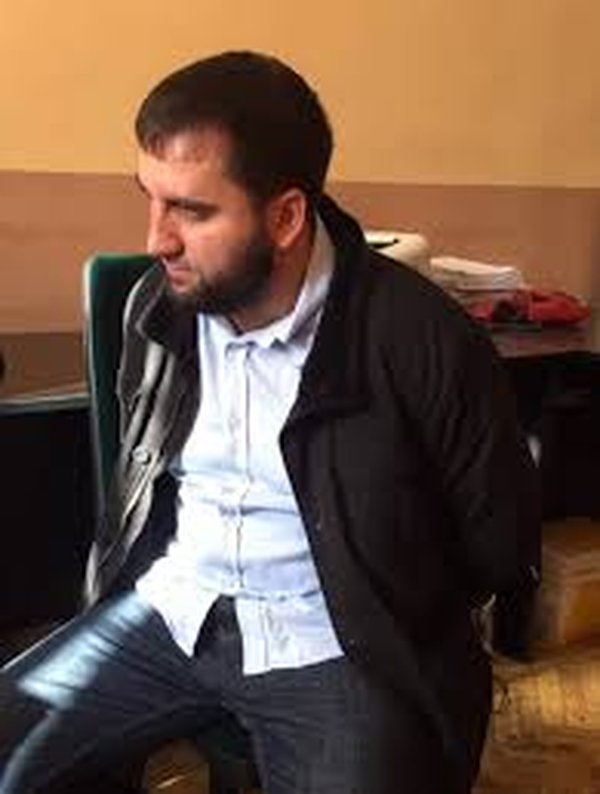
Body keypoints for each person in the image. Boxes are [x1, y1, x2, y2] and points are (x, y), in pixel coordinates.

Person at [0, 50, 539, 794]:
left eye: (192, 211)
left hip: (333, 642)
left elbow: (497, 545)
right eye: (150, 199)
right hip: (172, 609)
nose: (157, 239)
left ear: (285, 217)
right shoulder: (159, 309)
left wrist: (390, 602)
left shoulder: (422, 339)